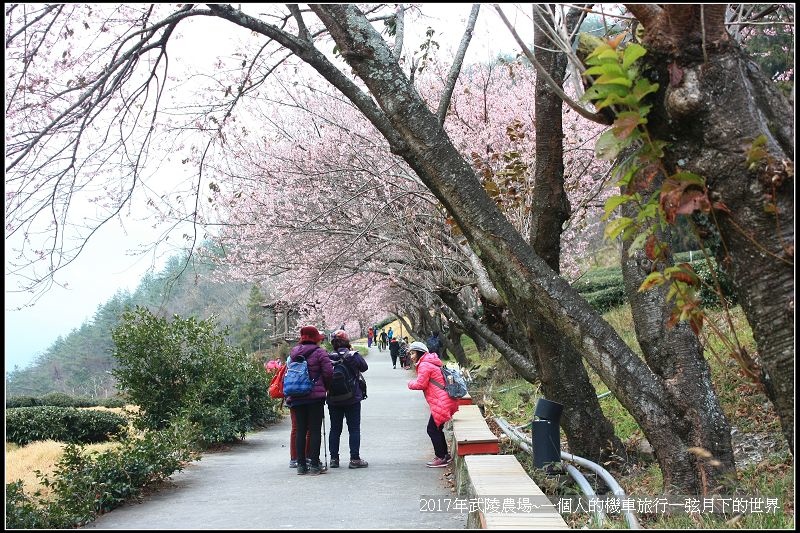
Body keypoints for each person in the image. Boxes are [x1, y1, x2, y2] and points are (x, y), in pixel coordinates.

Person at [287, 325, 333, 476]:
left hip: (297, 395)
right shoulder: (320, 352)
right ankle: (314, 464)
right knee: (314, 430)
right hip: (315, 397)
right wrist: (324, 387)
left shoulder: (294, 353)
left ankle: (301, 465)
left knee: (300, 429)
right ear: (315, 338)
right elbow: (328, 372)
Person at [406, 341, 459, 468]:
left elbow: (421, 384)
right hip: (444, 399)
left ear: (420, 353)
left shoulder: (425, 365)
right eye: (410, 353)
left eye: (413, 353)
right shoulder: (430, 362)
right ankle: (444, 455)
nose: (411, 356)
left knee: (432, 429)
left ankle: (441, 457)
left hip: (441, 401)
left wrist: (409, 383)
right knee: (436, 428)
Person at [326, 330, 369, 469]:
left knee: (335, 429)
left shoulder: (328, 357)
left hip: (334, 398)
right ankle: (354, 459)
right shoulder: (352, 355)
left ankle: (334, 459)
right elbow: (364, 367)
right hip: (352, 397)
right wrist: (353, 352)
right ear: (347, 342)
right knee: (354, 429)